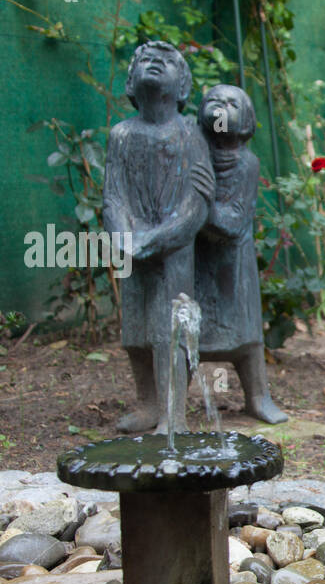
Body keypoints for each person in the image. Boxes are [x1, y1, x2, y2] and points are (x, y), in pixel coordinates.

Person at [103, 41, 213, 434]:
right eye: (145, 60)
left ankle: (174, 413)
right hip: (131, 250)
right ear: (131, 81)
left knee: (169, 331)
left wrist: (154, 240)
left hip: (173, 251)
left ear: (183, 87)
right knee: (135, 333)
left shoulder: (191, 135)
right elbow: (113, 196)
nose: (153, 64)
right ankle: (148, 405)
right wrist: (123, 238)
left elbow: (197, 204)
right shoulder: (121, 135)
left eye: (165, 62)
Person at [194, 84, 286, 424]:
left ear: (246, 119)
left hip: (234, 264)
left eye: (232, 104)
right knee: (190, 333)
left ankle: (258, 396)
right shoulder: (193, 157)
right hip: (197, 259)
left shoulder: (246, 163)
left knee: (247, 338)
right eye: (214, 101)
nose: (221, 108)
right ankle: (170, 406)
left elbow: (234, 221)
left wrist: (203, 207)